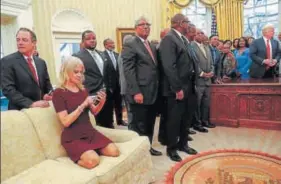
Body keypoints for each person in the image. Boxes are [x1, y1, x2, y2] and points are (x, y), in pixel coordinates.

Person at [52, 56, 119, 169]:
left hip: (89, 132)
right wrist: (83, 105)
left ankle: (89, 151)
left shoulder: (83, 90)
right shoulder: (59, 93)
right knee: (93, 161)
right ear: (66, 71)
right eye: (76, 72)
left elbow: (94, 112)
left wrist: (102, 101)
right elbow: (65, 122)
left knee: (114, 152)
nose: (79, 75)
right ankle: (81, 157)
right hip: (73, 136)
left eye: (81, 72)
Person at [159, 13, 198, 162]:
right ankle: (172, 148)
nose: (189, 24)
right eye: (187, 22)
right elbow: (169, 66)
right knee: (174, 120)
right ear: (181, 23)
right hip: (176, 88)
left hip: (188, 86)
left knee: (186, 118)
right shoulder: (169, 39)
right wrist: (177, 88)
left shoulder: (182, 39)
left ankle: (183, 144)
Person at [122, 16, 162, 156]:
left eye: (148, 24)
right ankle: (139, 153)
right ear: (135, 28)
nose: (146, 27)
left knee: (150, 122)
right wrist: (136, 92)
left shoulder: (151, 45)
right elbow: (129, 70)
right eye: (142, 24)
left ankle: (148, 146)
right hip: (140, 92)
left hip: (153, 91)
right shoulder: (131, 44)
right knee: (140, 124)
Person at [1, 27, 53, 110]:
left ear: (34, 43)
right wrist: (31, 104)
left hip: (41, 110)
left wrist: (48, 94)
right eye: (18, 40)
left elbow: (47, 85)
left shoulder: (41, 62)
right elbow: (8, 90)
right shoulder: (7, 61)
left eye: (24, 40)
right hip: (20, 112)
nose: (20, 43)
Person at [73, 30, 114, 128]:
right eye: (88, 39)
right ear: (83, 41)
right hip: (91, 95)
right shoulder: (77, 56)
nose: (92, 40)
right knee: (96, 125)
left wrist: (110, 88)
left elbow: (107, 74)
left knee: (108, 123)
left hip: (106, 95)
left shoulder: (102, 54)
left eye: (94, 38)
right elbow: (76, 78)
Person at [191, 29, 216, 130]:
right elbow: (194, 62)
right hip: (198, 80)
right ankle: (197, 124)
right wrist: (202, 73)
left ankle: (205, 121)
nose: (201, 35)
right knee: (197, 103)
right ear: (194, 35)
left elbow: (211, 62)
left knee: (206, 103)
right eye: (198, 33)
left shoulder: (206, 46)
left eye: (202, 33)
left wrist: (211, 72)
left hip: (208, 80)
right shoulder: (191, 46)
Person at [103, 38, 127, 126]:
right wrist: (107, 86)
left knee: (119, 103)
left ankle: (120, 120)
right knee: (109, 105)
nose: (113, 45)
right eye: (110, 43)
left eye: (113, 43)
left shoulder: (117, 55)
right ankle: (110, 122)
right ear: (105, 45)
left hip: (118, 84)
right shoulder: (102, 56)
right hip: (109, 85)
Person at [118, 35, 134, 127]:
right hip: (128, 87)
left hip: (126, 87)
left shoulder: (122, 52)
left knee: (130, 112)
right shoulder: (126, 53)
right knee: (131, 112)